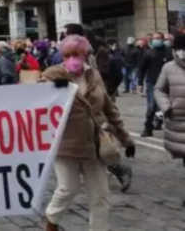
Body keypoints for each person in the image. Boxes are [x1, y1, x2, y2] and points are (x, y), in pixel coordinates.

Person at [42, 35, 135, 231]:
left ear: (85, 55)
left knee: (100, 195)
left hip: (95, 145)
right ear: (62, 55)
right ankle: (52, 220)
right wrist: (53, 90)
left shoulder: (94, 75)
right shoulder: (51, 75)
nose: (73, 58)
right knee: (68, 188)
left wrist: (126, 138)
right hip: (66, 143)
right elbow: (37, 106)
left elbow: (109, 109)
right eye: (68, 54)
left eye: (77, 53)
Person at [154, 33, 185, 206]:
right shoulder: (169, 68)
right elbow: (159, 89)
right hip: (178, 119)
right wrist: (167, 107)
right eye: (181, 49)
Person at [139, 32, 172, 137]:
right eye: (154, 39)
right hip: (152, 83)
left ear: (162, 40)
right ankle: (147, 127)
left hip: (168, 83)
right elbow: (142, 68)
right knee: (152, 107)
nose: (156, 40)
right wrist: (140, 83)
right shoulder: (149, 53)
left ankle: (163, 125)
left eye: (158, 38)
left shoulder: (169, 53)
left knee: (168, 107)